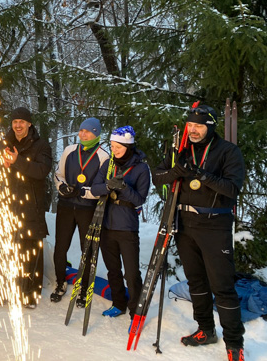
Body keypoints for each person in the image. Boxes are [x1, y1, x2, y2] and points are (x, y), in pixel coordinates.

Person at [153, 105, 245, 361]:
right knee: (196, 282)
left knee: (223, 285)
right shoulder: (180, 150)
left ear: (211, 126)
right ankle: (206, 329)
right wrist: (176, 172)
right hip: (185, 224)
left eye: (199, 126)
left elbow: (232, 188)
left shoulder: (228, 151)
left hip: (215, 224)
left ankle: (234, 343)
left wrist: (199, 174)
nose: (192, 130)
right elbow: (157, 177)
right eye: (190, 125)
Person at [90, 126, 150, 320]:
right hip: (106, 223)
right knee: (113, 269)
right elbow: (95, 188)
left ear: (128, 146)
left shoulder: (141, 168)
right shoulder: (108, 164)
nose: (114, 150)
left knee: (131, 272)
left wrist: (123, 187)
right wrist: (108, 186)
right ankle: (119, 303)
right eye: (113, 146)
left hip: (127, 226)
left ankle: (136, 309)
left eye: (118, 147)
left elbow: (140, 199)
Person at [51, 117, 109, 304]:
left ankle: (84, 287)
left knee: (88, 250)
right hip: (66, 206)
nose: (83, 134)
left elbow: (103, 189)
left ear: (96, 133)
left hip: (88, 209)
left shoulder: (103, 156)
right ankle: (60, 283)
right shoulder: (69, 151)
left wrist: (84, 193)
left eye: (88, 131)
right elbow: (58, 175)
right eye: (81, 131)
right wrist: (62, 188)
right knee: (61, 246)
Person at [0, 107, 52, 308]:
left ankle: (30, 294)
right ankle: (12, 290)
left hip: (32, 206)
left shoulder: (41, 146)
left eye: (22, 122)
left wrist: (17, 161)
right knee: (12, 251)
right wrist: (1, 165)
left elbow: (41, 171)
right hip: (8, 205)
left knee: (31, 253)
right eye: (15, 122)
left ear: (29, 124)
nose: (18, 125)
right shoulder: (5, 143)